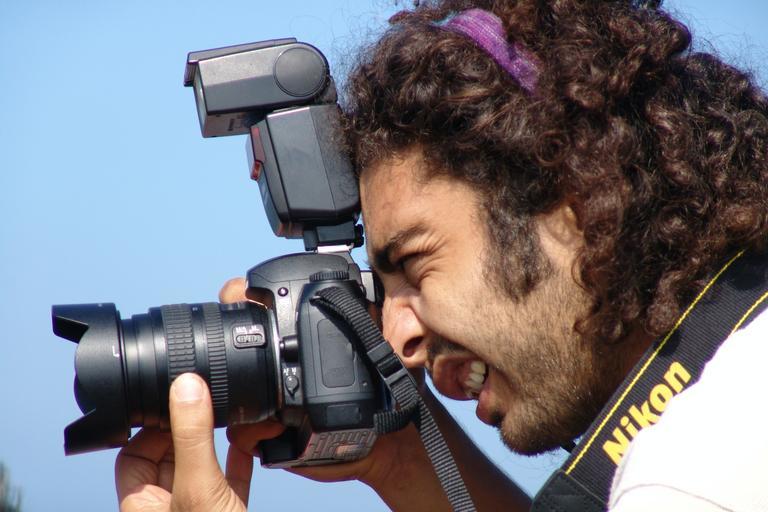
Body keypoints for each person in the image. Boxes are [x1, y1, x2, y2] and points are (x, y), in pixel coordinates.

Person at [114, 0, 768, 510]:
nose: (396, 339)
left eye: (415, 264)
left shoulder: (693, 472)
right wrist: (403, 457)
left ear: (577, 200)